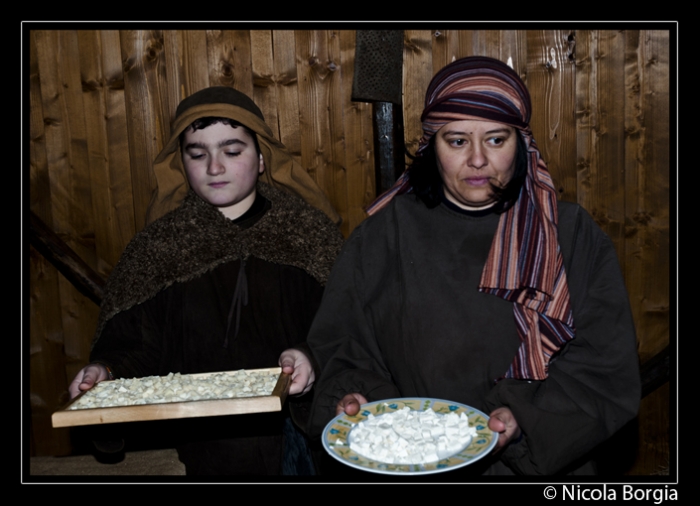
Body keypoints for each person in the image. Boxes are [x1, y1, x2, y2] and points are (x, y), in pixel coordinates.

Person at [307, 56, 640, 475]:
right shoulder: (385, 234)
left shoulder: (570, 236)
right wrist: (357, 396)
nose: (479, 159)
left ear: (521, 144)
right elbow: (344, 343)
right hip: (413, 460)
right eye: (458, 141)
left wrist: (524, 419)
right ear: (433, 145)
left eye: (496, 140)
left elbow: (605, 367)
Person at [68, 86, 344, 475]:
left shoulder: (310, 234)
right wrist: (106, 372)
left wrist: (310, 356)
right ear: (181, 162)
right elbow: (139, 346)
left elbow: (346, 328)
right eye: (198, 154)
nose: (215, 167)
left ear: (262, 157)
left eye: (232, 152)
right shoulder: (160, 246)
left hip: (301, 438)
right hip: (205, 446)